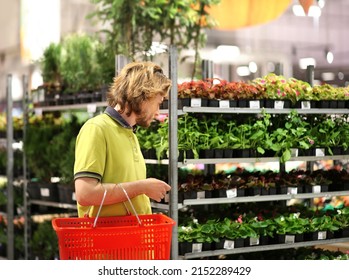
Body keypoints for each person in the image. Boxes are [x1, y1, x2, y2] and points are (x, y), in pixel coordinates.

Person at [74, 61, 172, 218]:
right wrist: (141, 187)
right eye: (158, 103)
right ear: (144, 95)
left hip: (132, 239)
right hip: (107, 240)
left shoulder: (130, 133)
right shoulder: (97, 129)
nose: (157, 113)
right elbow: (85, 194)